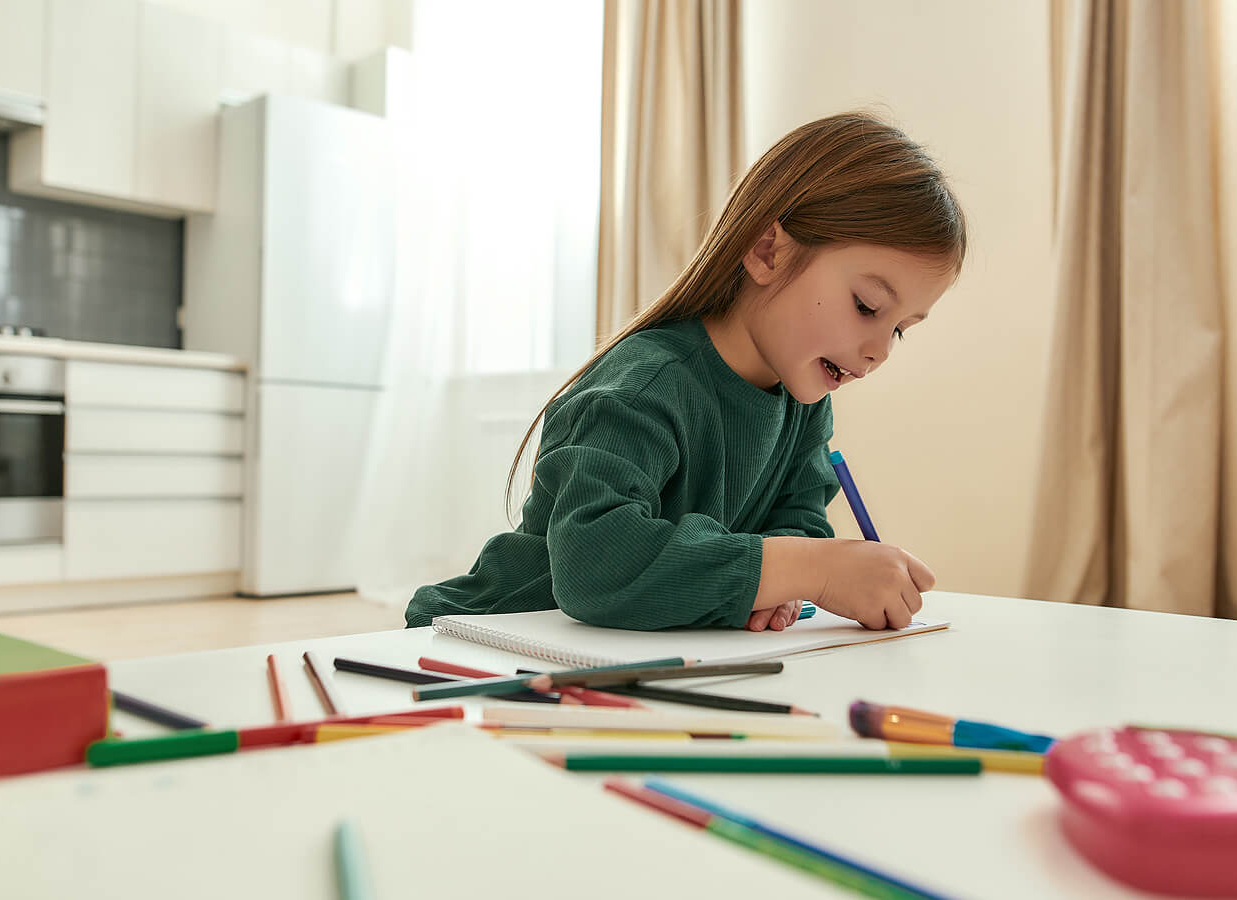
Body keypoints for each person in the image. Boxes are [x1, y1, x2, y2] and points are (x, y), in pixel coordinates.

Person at [406, 111, 967, 632]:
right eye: (868, 306)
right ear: (768, 250)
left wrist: (780, 580)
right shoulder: (645, 385)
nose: (880, 351)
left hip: (645, 656)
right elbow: (594, 564)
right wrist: (808, 570)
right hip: (494, 640)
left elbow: (799, 519)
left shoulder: (804, 405)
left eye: (899, 329)